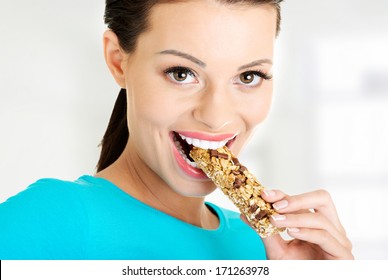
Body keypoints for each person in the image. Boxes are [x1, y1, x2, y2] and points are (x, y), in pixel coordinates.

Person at [0, 0, 353, 260]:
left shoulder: (271, 249)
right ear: (118, 60)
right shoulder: (51, 221)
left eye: (248, 77)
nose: (216, 117)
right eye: (181, 73)